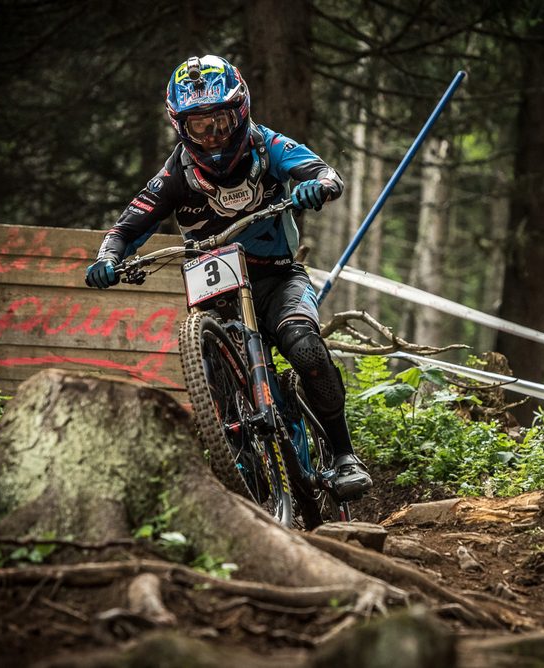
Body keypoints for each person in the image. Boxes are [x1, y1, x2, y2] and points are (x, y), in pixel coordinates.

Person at [84, 55, 372, 501]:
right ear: (181, 127)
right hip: (215, 294)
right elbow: (126, 228)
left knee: (305, 345)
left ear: (239, 113)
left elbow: (322, 170)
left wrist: (320, 186)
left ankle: (343, 455)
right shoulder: (175, 174)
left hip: (277, 278)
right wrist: (108, 257)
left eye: (219, 122)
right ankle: (241, 473)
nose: (213, 136)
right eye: (199, 127)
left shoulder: (267, 145)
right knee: (214, 378)